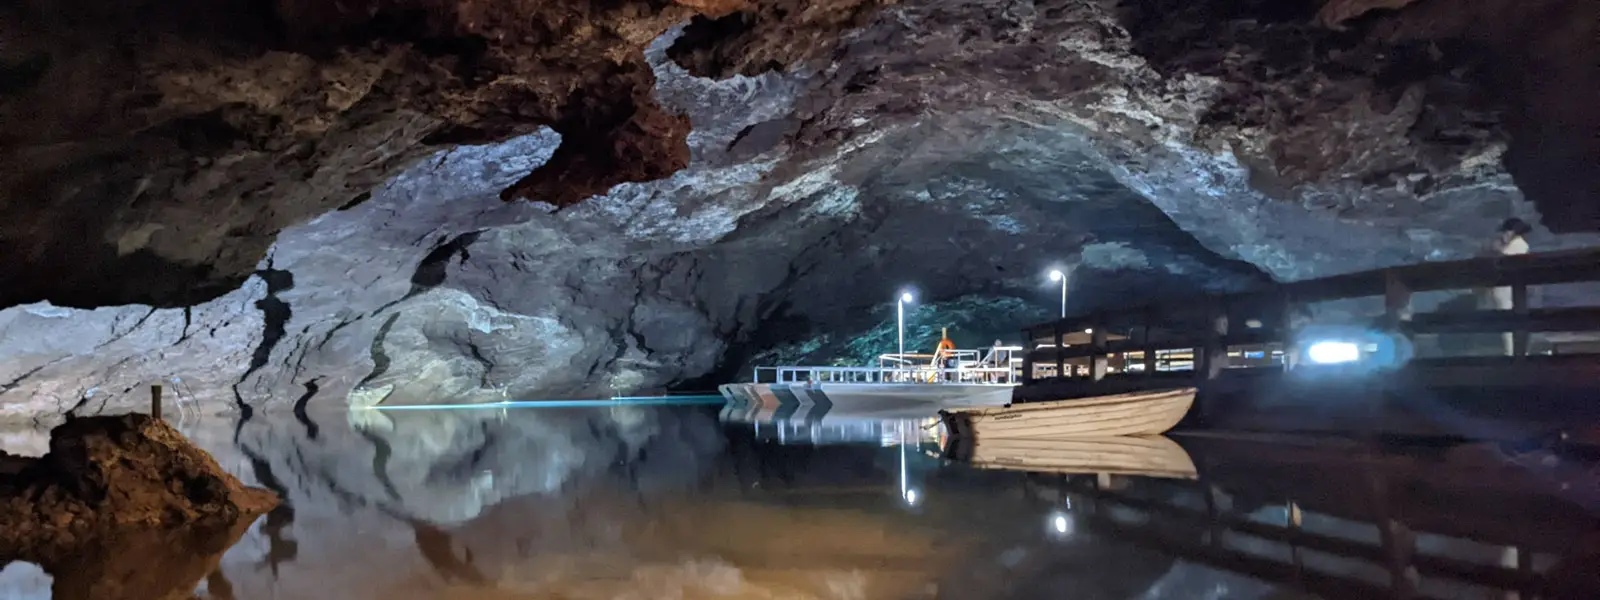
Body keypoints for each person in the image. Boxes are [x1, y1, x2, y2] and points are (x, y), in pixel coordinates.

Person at [1482, 217, 1533, 355]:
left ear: (1511, 232)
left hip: (1509, 293)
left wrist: (1497, 248)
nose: (1503, 235)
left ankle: (1513, 354)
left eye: (1505, 232)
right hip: (1506, 293)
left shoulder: (1518, 245)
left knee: (1509, 327)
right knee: (1507, 327)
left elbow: (1503, 260)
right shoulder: (1515, 245)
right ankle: (1513, 353)